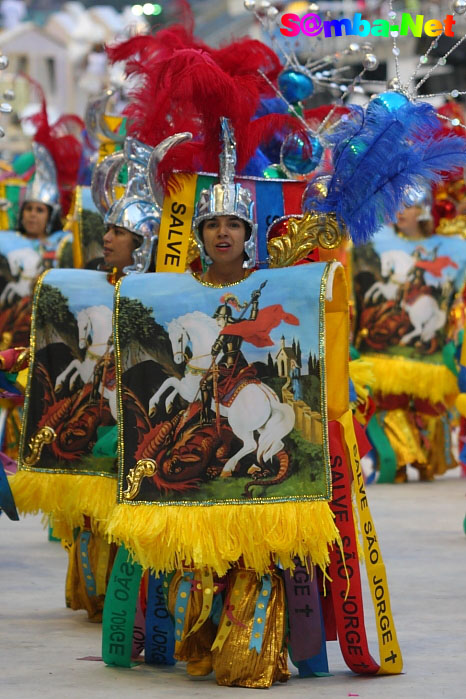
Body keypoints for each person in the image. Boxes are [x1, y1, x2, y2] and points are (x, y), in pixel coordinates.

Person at [352, 188, 466, 482]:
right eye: (398, 206)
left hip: (431, 352)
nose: (401, 212)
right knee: (389, 404)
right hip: (382, 353)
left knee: (431, 406)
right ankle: (399, 460)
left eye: (409, 206)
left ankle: (426, 458)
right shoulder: (376, 243)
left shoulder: (451, 249)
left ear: (424, 211)